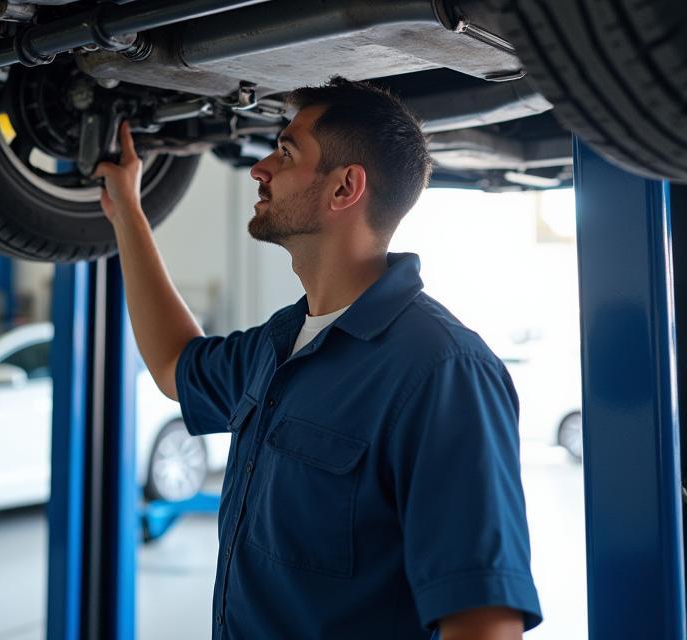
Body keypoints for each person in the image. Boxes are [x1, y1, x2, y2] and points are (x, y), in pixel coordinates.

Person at [95, 77, 542, 640]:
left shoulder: (442, 369)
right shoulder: (281, 342)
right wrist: (128, 214)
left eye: (285, 153)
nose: (260, 170)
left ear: (344, 189)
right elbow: (173, 366)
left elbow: (484, 621)